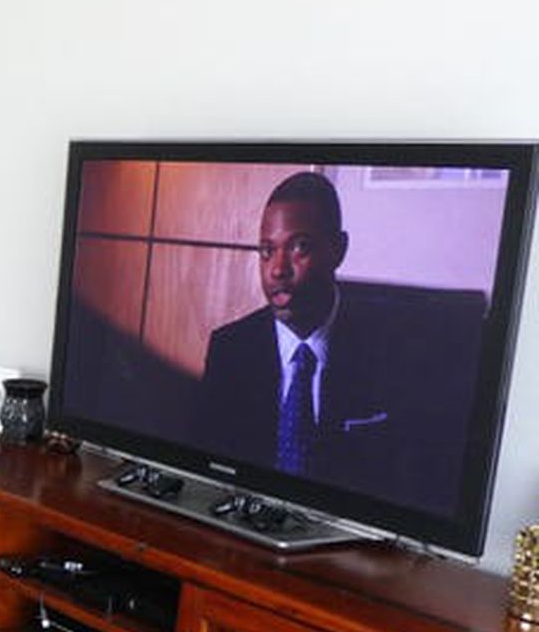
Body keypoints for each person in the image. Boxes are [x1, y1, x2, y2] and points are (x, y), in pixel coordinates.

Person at [191, 171, 470, 511]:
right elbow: (205, 478)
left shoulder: (397, 351)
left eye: (300, 247)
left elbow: (413, 490)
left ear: (338, 249)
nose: (277, 269)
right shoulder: (230, 350)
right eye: (267, 251)